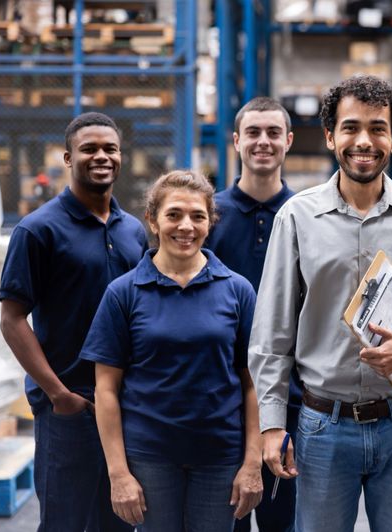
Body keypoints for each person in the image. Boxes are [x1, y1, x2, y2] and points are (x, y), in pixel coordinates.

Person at [248, 75, 392, 532]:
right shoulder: (296, 217)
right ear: (331, 136)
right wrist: (271, 423)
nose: (364, 141)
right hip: (323, 426)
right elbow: (272, 336)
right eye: (351, 127)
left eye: (378, 128)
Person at [80, 170, 263, 531]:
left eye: (198, 216)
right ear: (152, 219)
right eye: (174, 214)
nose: (186, 226)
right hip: (150, 458)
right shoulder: (124, 293)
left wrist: (252, 463)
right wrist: (118, 474)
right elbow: (105, 390)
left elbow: (253, 383)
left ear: (211, 222)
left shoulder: (238, 291)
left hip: (219, 457)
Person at [0, 112, 146, 532]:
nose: (101, 156)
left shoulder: (133, 230)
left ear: (120, 157)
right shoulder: (38, 230)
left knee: (121, 519)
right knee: (66, 523)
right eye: (89, 149)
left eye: (110, 149)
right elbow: (12, 320)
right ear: (67, 158)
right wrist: (58, 393)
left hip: (127, 405)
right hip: (71, 408)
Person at [205, 96, 300, 532]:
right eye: (254, 133)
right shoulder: (207, 218)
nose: (263, 142)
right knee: (228, 521)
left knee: (286, 520)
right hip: (220, 398)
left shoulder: (309, 215)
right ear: (236, 140)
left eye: (273, 133)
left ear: (289, 142)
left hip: (295, 399)